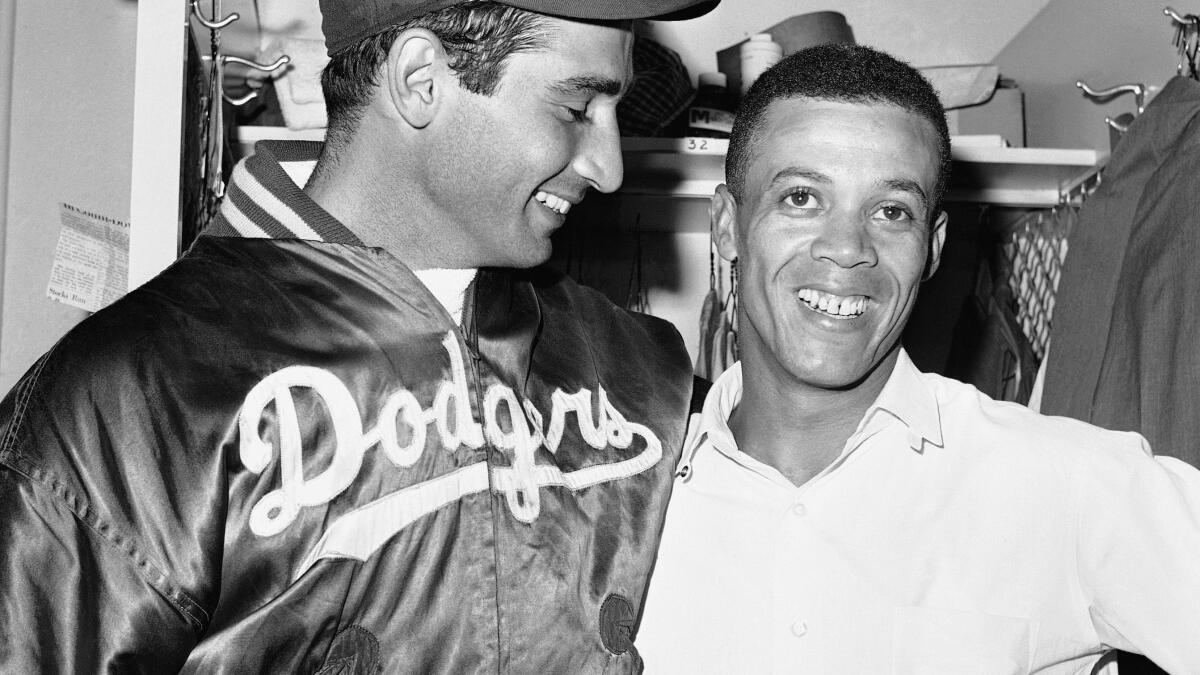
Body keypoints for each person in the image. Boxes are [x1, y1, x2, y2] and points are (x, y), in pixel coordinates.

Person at [0, 0, 720, 671]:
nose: (609, 165)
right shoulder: (129, 399)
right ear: (420, 80)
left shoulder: (637, 372)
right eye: (576, 106)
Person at [635, 43, 1200, 674]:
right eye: (800, 198)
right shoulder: (618, 500)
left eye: (890, 211)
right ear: (725, 226)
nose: (847, 249)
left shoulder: (1067, 484)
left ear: (931, 248)